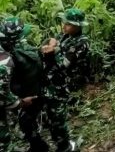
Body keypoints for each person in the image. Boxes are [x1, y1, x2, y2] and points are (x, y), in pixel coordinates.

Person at [0, 17, 75, 152]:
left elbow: (41, 60)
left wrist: (48, 49)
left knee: (53, 121)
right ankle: (42, 147)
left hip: (42, 90)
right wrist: (19, 102)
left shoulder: (17, 48)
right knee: (29, 122)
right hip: (33, 93)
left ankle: (63, 147)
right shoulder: (7, 60)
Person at [41, 8, 91, 93]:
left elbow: (63, 64)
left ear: (77, 26)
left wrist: (51, 52)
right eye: (64, 23)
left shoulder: (82, 42)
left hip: (68, 79)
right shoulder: (66, 35)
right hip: (57, 71)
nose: (64, 26)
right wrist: (52, 44)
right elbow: (53, 40)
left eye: (68, 24)